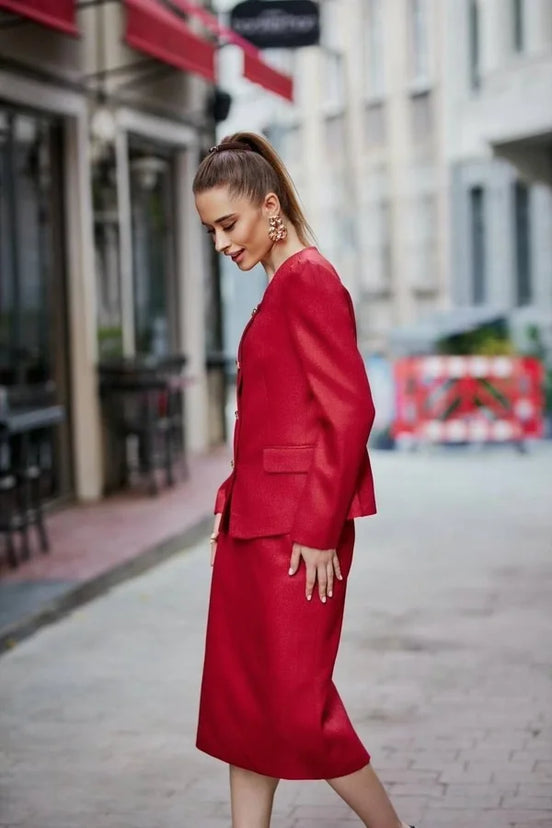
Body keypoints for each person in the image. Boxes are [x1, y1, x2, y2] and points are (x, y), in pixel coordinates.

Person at [193, 133, 415, 828]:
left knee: (297, 707)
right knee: (244, 707)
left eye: (228, 224)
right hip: (252, 531)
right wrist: (228, 505)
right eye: (210, 231)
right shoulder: (278, 289)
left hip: (297, 537)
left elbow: (350, 412)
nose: (221, 243)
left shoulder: (309, 279)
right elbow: (274, 418)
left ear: (269, 207)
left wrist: (320, 531)